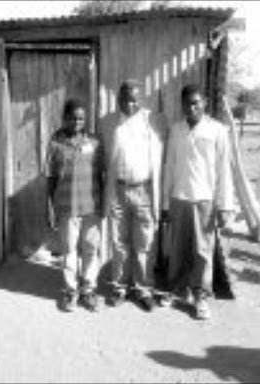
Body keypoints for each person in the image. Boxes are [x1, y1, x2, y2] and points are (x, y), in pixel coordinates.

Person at [162, 84, 235, 320]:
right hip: (179, 198)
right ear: (181, 105)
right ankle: (177, 290)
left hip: (205, 199)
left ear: (204, 103)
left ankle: (201, 296)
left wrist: (225, 205)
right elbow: (170, 167)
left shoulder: (218, 130)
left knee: (203, 251)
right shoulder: (176, 130)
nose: (191, 108)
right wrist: (165, 202)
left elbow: (224, 169)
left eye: (196, 103)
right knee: (177, 247)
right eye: (187, 103)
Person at [103, 80, 167, 312]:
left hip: (145, 190)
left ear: (142, 99)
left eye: (134, 100)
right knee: (119, 242)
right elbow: (103, 160)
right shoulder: (108, 122)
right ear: (118, 99)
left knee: (145, 242)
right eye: (124, 99)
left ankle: (143, 289)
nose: (129, 104)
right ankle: (119, 287)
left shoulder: (155, 121)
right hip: (118, 189)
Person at [45, 99, 105, 312]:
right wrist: (50, 206)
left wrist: (103, 203)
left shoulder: (95, 141)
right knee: (69, 250)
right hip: (66, 206)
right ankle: (71, 291)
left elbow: (102, 174)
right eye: (72, 118)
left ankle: (88, 290)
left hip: (92, 205)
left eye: (81, 118)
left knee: (90, 250)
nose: (77, 122)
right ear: (65, 118)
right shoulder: (55, 142)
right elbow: (51, 176)